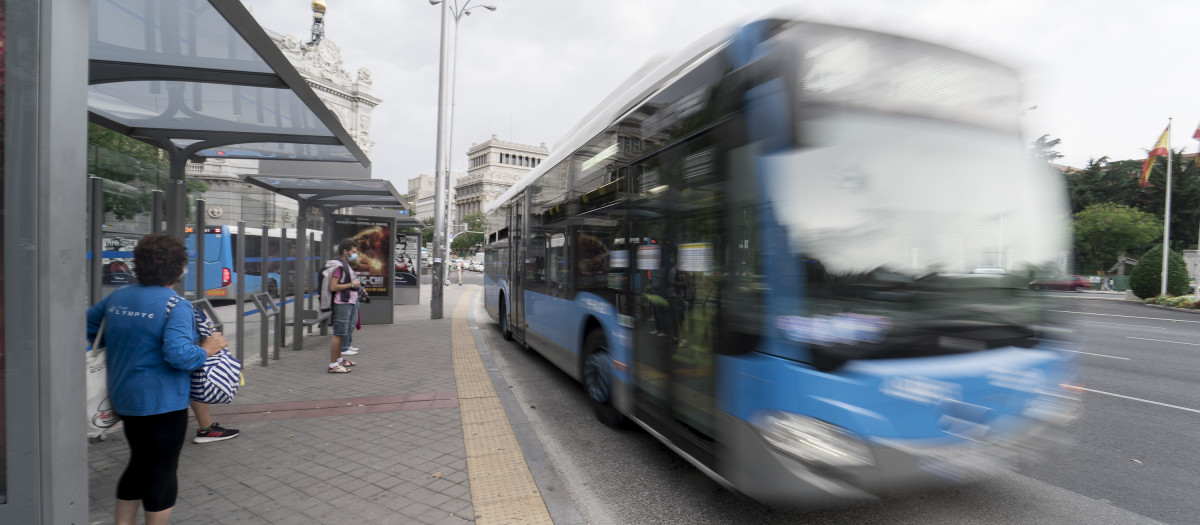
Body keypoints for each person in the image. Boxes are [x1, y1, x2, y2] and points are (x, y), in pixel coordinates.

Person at [86, 233, 226, 525]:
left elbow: (88, 324)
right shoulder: (176, 306)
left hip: (124, 397)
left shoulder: (119, 296)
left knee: (139, 462)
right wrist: (208, 348)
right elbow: (179, 355)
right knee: (162, 470)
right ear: (179, 267)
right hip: (163, 403)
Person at [328, 238, 363, 373]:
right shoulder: (339, 266)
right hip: (342, 303)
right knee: (338, 333)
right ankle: (333, 365)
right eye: (353, 251)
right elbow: (333, 286)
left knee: (343, 333)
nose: (355, 254)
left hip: (349, 302)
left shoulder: (345, 264)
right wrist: (352, 284)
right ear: (345, 251)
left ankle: (339, 360)